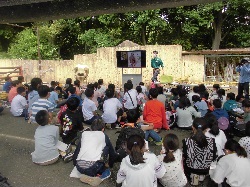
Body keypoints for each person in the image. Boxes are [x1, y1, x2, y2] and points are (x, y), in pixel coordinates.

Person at [71, 119, 119, 186]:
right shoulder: (104, 135)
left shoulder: (84, 134)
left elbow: (77, 150)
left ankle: (86, 175)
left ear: (91, 128)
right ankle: (98, 177)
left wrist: (75, 163)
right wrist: (109, 165)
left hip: (79, 167)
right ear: (103, 129)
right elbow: (112, 153)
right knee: (106, 149)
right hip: (93, 168)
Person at [182, 118, 217, 183]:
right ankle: (199, 178)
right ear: (206, 129)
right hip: (205, 170)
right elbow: (214, 157)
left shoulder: (186, 141)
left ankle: (194, 179)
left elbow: (185, 157)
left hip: (190, 169)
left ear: (192, 127)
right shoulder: (212, 141)